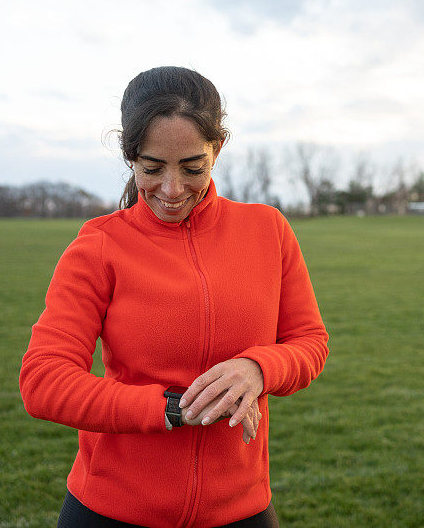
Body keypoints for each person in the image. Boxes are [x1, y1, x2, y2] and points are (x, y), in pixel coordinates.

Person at [19, 66, 329, 527]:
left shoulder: (269, 230)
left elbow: (310, 342)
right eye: (151, 168)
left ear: (216, 149)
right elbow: (44, 381)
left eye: (192, 168)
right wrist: (173, 408)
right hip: (112, 511)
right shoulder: (98, 245)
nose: (171, 189)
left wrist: (259, 368)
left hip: (241, 511)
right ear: (130, 157)